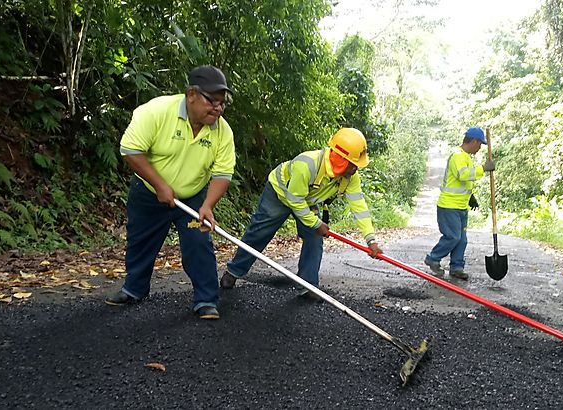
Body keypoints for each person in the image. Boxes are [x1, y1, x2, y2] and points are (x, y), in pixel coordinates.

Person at [105, 65, 236, 320]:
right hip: (149, 193)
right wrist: (160, 185)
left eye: (222, 104)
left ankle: (206, 300)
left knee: (199, 243)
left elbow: (222, 174)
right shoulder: (157, 111)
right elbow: (130, 150)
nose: (218, 109)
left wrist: (207, 205)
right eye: (212, 101)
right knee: (141, 242)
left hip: (193, 196)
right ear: (191, 94)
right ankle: (135, 289)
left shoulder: (222, 131)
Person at [219, 128, 383, 299]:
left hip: (307, 201)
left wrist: (370, 240)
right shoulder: (307, 164)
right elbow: (294, 200)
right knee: (259, 233)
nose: (356, 168)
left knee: (314, 238)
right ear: (340, 159)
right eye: (353, 163)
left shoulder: (350, 177)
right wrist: (316, 223)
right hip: (280, 193)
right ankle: (233, 271)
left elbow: (359, 207)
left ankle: (308, 285)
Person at [424, 127, 495, 280]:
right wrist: (483, 168)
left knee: (462, 239)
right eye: (480, 144)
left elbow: (461, 182)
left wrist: (471, 196)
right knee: (453, 237)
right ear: (474, 141)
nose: (480, 147)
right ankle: (433, 258)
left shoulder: (466, 157)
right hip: (449, 206)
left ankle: (457, 267)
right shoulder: (457, 156)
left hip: (461, 206)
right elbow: (462, 175)